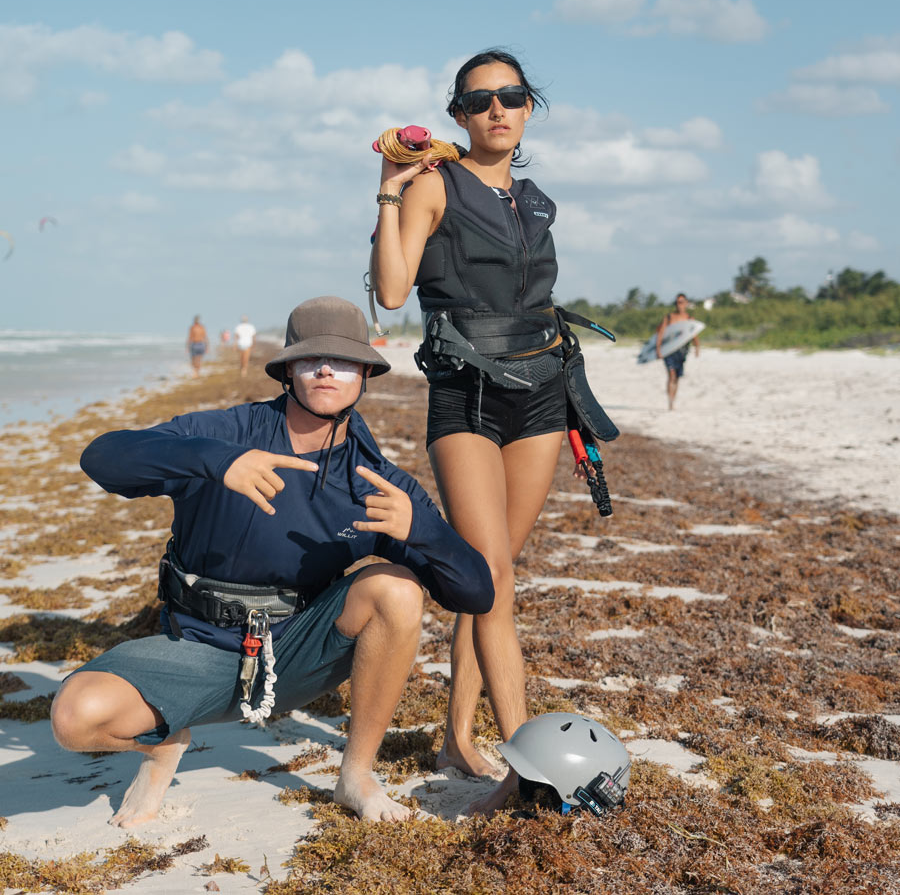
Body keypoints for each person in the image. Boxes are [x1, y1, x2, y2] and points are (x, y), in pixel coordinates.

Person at [50, 296, 493, 827]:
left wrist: (422, 531)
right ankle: (163, 745)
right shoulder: (226, 436)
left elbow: (476, 593)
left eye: (344, 360)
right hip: (195, 648)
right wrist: (218, 464)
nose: (327, 369)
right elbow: (101, 457)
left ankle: (356, 775)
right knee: (73, 718)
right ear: (287, 370)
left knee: (396, 588)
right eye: (311, 359)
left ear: (365, 375)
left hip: (297, 653)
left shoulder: (377, 484)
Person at [372, 48, 567, 812]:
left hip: (544, 392)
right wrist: (389, 195)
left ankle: (459, 735)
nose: (498, 108)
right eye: (481, 99)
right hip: (468, 394)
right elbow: (392, 291)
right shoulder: (433, 185)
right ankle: (529, 769)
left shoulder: (537, 200)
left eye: (512, 96)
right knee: (493, 576)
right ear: (459, 114)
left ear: (527, 110)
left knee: (494, 577)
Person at [655, 293, 700, 410]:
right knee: (671, 375)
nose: (679, 305)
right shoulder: (669, 318)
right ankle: (670, 402)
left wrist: (697, 347)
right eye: (677, 302)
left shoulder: (690, 319)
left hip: (682, 351)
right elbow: (661, 333)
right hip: (669, 351)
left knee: (677, 377)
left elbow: (693, 334)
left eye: (681, 302)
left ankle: (673, 399)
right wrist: (658, 348)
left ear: (686, 303)